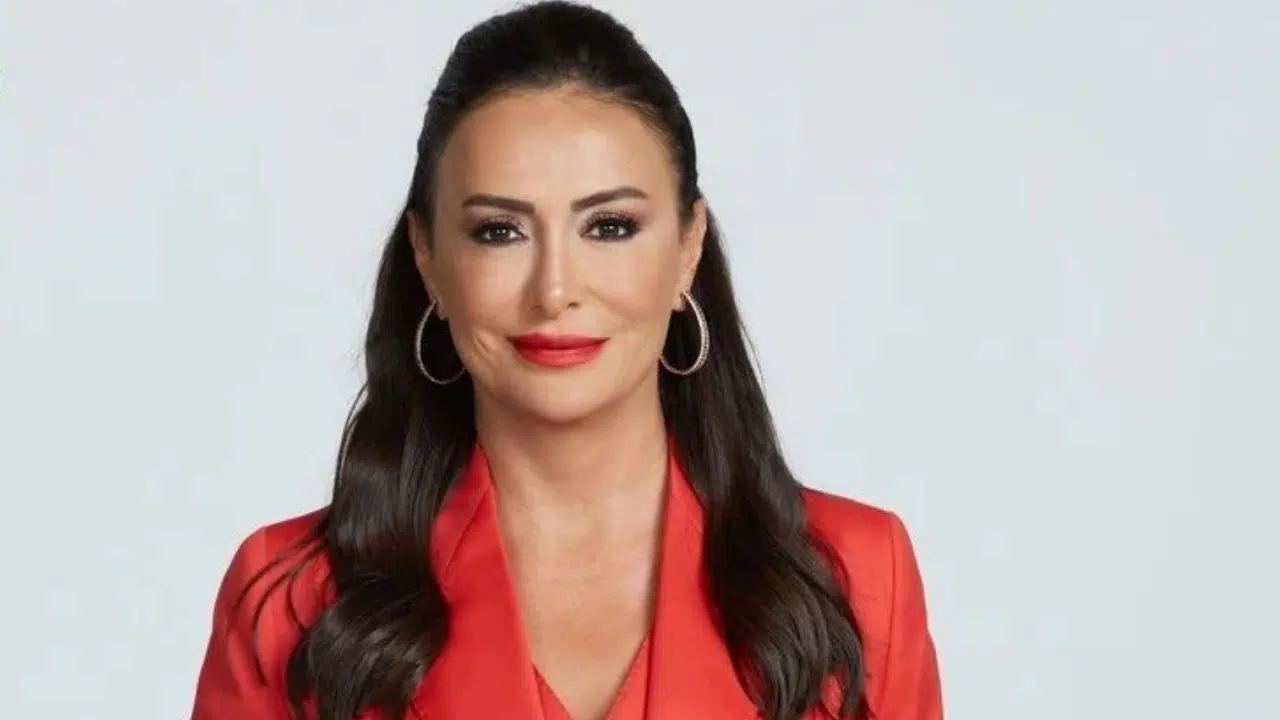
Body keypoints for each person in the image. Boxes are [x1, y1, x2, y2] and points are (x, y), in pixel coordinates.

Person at [189, 2, 942, 718]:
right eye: (499, 231)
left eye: (609, 227)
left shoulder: (858, 577)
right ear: (427, 257)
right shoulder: (290, 600)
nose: (554, 291)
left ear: (687, 247)